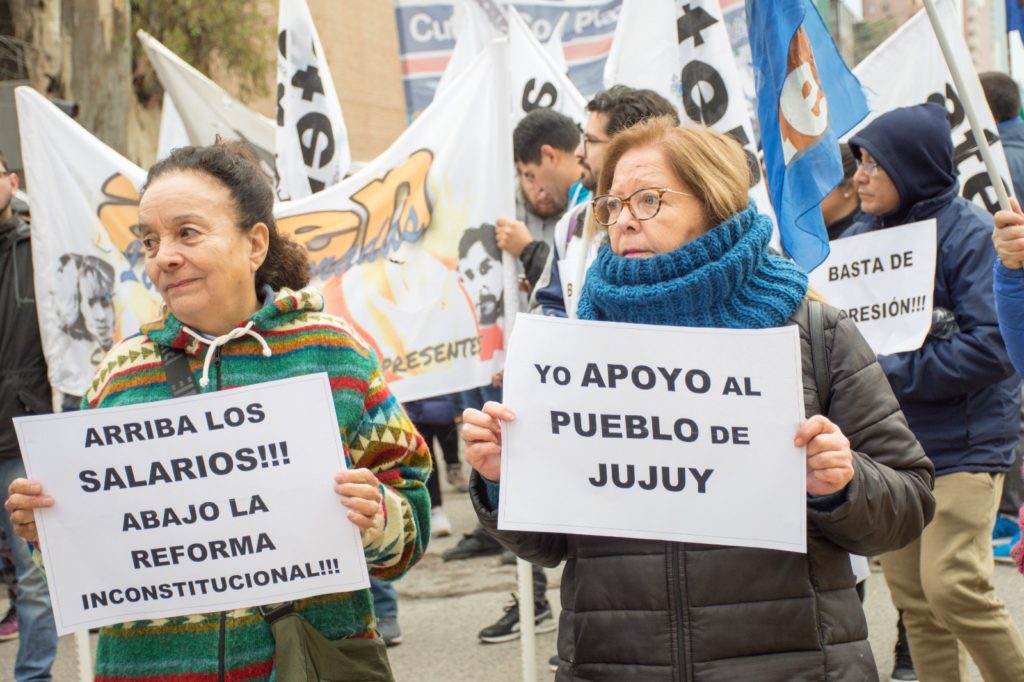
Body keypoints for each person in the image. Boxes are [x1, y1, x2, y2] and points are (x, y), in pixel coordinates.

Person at [464, 118, 935, 680]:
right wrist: (503, 479)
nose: (625, 222)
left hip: (794, 663)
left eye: (648, 200)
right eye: (612, 207)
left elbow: (907, 503)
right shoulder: (574, 347)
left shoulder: (810, 330)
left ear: (712, 202)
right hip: (615, 664)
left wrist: (843, 485)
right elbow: (547, 544)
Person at [4, 142, 431, 680]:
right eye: (150, 240)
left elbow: (412, 519)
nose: (164, 256)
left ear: (254, 244)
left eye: (188, 232)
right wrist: (49, 531)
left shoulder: (335, 352)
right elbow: (94, 562)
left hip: (303, 663)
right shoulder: (118, 372)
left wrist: (379, 517)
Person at [842, 103, 1024, 681]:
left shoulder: (972, 236)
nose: (859, 176)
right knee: (912, 600)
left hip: (967, 444)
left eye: (873, 163)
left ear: (912, 166)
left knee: (951, 585)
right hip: (893, 450)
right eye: (859, 161)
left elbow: (994, 349)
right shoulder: (857, 238)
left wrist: (884, 372)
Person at [530, 85, 680, 317]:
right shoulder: (573, 224)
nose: (579, 152)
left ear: (625, 144)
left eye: (590, 141)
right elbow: (548, 304)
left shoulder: (682, 219)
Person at [0, 153, 58, 680]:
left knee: (35, 577)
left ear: (12, 183)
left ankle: (34, 676)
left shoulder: (38, 251)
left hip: (19, 439)